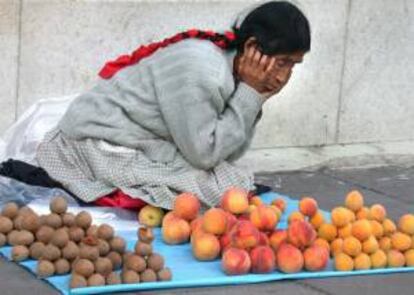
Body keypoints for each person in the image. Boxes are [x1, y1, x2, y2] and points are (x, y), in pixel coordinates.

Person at [35, 1, 311, 209]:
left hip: (144, 139)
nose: (284, 76)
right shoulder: (205, 70)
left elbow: (228, 152)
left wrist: (254, 96)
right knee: (218, 187)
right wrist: (250, 93)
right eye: (283, 62)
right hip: (94, 141)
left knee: (228, 178)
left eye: (293, 65)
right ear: (252, 47)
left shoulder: (236, 69)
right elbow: (204, 156)